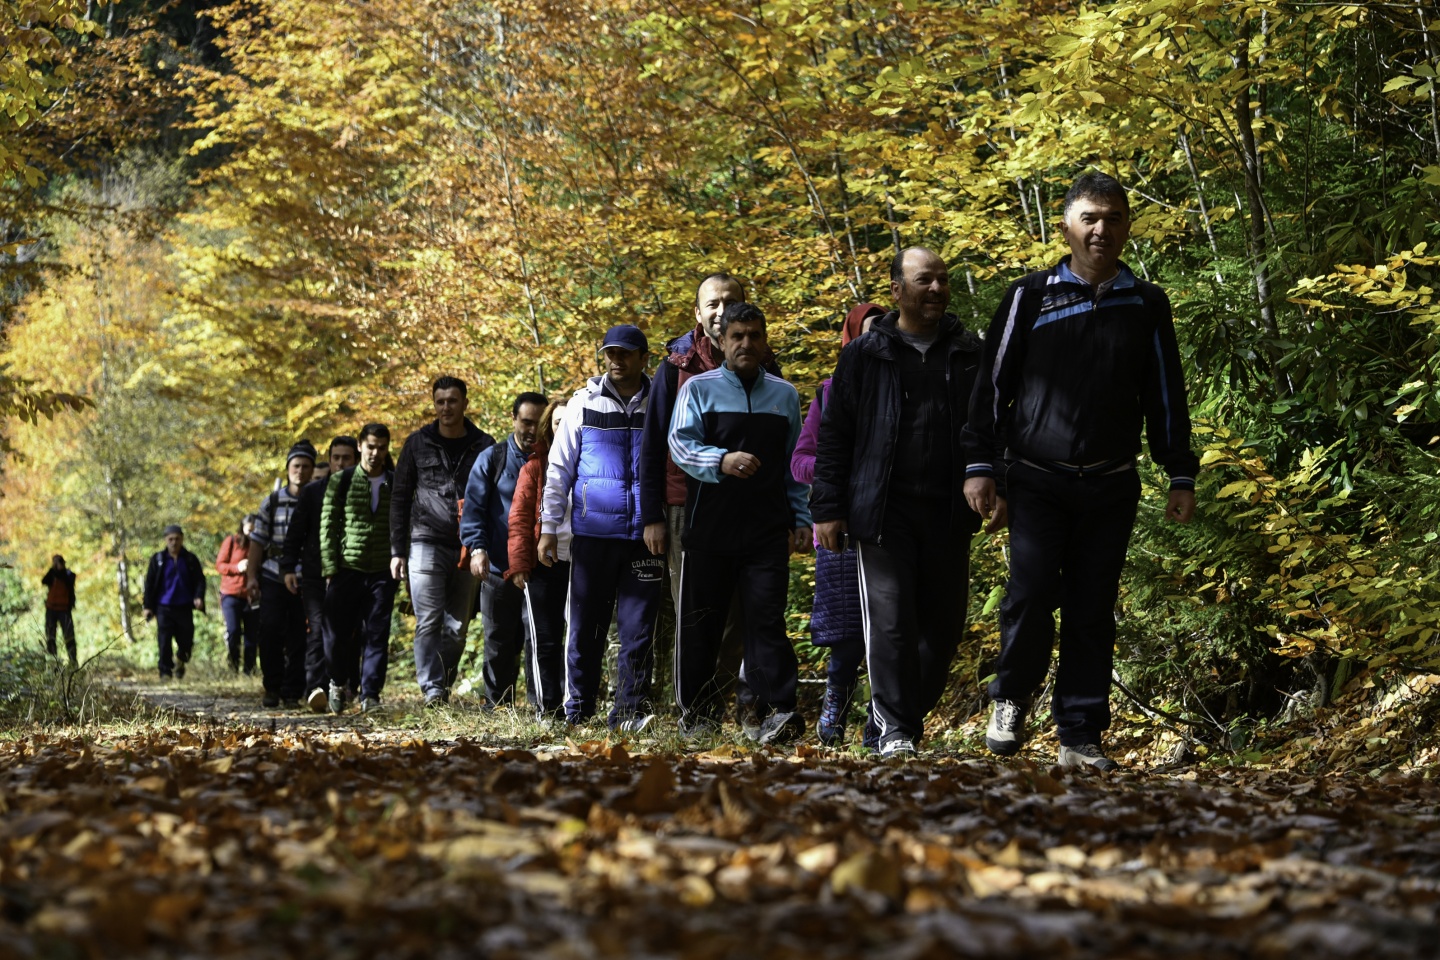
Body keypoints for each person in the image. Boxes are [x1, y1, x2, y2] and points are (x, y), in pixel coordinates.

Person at [963, 172, 1199, 771]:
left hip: (1111, 482)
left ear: (1127, 227)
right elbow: (993, 387)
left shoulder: (1145, 303)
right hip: (1037, 476)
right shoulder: (1029, 296)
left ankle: (1080, 734)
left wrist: (1179, 471)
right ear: (1066, 226)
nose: (1101, 229)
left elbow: (1165, 392)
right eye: (1089, 217)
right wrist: (981, 465)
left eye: (1113, 218)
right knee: (1031, 592)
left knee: (1093, 608)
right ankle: (1012, 697)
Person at [811, 247, 986, 758]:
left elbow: (990, 428)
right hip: (884, 512)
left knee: (943, 631)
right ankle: (894, 732)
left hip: (949, 513)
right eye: (924, 279)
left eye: (943, 280)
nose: (937, 289)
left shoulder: (970, 352)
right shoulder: (864, 355)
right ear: (896, 290)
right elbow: (835, 436)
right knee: (889, 625)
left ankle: (896, 719)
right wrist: (827, 508)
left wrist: (996, 482)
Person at [670, 302, 812, 743]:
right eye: (737, 336)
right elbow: (679, 444)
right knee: (701, 624)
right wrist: (721, 460)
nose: (746, 343)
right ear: (721, 341)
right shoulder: (698, 389)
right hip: (708, 529)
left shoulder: (784, 395)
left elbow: (794, 464)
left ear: (765, 342)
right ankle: (696, 715)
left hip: (767, 531)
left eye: (754, 335)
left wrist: (802, 517)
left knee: (766, 621)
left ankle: (776, 714)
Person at [639, 272, 778, 718]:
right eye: (713, 304)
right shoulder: (676, 367)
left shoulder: (765, 363)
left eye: (730, 302)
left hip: (752, 509)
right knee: (696, 612)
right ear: (697, 313)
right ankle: (695, 711)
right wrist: (652, 515)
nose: (721, 311)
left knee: (743, 614)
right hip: (687, 508)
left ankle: (722, 704)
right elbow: (653, 444)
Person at [540, 326, 665, 730]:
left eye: (625, 353)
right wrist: (548, 526)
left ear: (644, 358)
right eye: (610, 353)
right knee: (585, 628)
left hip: (646, 537)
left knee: (638, 630)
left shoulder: (662, 401)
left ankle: (628, 711)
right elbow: (559, 469)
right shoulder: (583, 403)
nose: (616, 360)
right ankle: (578, 710)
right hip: (593, 535)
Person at [790, 302, 884, 745]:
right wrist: (841, 474)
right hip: (839, 529)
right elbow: (800, 461)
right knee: (846, 633)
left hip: (887, 524)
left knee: (887, 630)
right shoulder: (828, 394)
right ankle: (835, 710)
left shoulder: (904, 385)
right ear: (851, 339)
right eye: (868, 332)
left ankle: (881, 723)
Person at [390, 376, 497, 708]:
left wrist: (488, 545)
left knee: (457, 626)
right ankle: (432, 689)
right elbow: (399, 498)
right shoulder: (417, 443)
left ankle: (442, 683)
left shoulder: (484, 445)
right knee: (429, 619)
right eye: (440, 401)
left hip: (469, 543)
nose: (446, 407)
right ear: (434, 404)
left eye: (452, 401)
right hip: (425, 540)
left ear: (465, 403)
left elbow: (495, 498)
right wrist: (397, 550)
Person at [460, 392, 547, 709]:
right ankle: (497, 705)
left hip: (541, 568)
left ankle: (541, 705)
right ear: (513, 419)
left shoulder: (554, 458)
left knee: (538, 639)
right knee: (498, 639)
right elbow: (474, 509)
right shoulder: (492, 458)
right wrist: (477, 548)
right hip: (498, 565)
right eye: (526, 422)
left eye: (539, 423)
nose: (532, 430)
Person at [320, 424, 398, 713]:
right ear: (360, 446)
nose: (376, 453)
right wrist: (330, 568)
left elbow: (402, 524)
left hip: (382, 571)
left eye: (381, 447)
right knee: (336, 635)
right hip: (346, 569)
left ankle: (371, 695)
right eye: (371, 447)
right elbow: (328, 526)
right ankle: (337, 682)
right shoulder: (340, 481)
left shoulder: (395, 482)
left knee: (377, 634)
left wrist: (400, 558)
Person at [282, 436, 359, 712]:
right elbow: (296, 532)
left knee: (349, 632)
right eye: (335, 458)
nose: (340, 463)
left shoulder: (365, 489)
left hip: (352, 572)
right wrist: (288, 567)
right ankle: (316, 688)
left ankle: (348, 686)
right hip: (314, 573)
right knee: (317, 629)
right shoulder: (313, 492)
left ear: (356, 459)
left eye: (346, 458)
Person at [506, 397, 570, 719]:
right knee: (545, 639)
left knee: (577, 639)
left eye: (570, 421)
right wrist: (519, 565)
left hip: (582, 563)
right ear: (549, 427)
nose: (565, 427)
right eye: (559, 422)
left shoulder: (590, 463)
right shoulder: (534, 467)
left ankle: (575, 707)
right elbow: (519, 519)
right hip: (542, 565)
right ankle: (548, 708)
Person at [247, 440, 317, 709]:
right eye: (296, 465)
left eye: (306, 466)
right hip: (273, 574)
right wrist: (251, 577)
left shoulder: (317, 499)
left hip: (305, 576)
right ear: (288, 469)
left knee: (299, 634)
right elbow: (257, 542)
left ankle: (292, 691)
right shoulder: (272, 501)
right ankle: (272, 686)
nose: (300, 471)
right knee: (270, 630)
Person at [141, 525, 206, 680]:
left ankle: (181, 660)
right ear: (165, 540)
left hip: (184, 607)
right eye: (170, 539)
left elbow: (200, 580)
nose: (174, 542)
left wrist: (198, 597)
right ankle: (165, 672)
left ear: (182, 539)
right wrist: (148, 606)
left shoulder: (190, 559)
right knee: (164, 641)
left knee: (186, 641)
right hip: (163, 607)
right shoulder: (158, 559)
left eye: (177, 539)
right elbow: (149, 584)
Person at [215, 517, 259, 674]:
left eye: (254, 530)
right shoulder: (231, 541)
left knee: (251, 636)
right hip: (231, 594)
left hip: (252, 596)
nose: (251, 534)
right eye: (249, 530)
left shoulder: (260, 545)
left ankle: (249, 670)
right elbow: (219, 565)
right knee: (233, 631)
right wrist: (237, 567)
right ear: (243, 527)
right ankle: (233, 667)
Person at [40, 555, 78, 668]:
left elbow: (70, 582)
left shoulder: (68, 574)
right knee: (50, 637)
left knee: (69, 637)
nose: (57, 564)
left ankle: (73, 662)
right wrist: (53, 569)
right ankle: (53, 663)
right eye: (55, 562)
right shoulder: (52, 574)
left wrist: (61, 570)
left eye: (59, 562)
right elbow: (44, 581)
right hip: (51, 610)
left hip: (64, 610)